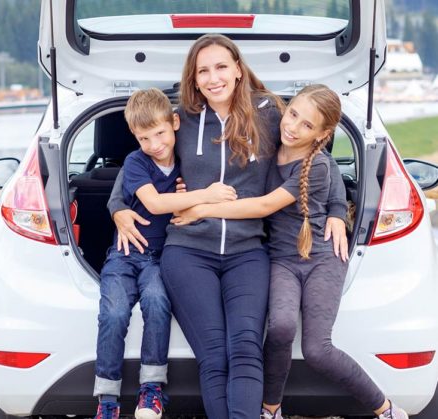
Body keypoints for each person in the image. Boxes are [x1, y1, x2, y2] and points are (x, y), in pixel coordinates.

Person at [108, 34, 348, 419]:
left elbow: (316, 156)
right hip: (187, 252)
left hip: (248, 252)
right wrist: (118, 207)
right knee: (215, 353)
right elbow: (140, 161)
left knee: (246, 348)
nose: (213, 77)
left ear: (238, 69)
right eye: (203, 70)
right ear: (194, 77)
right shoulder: (181, 119)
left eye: (221, 66)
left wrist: (337, 207)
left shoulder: (270, 113)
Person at [171, 84, 408, 419]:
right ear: (286, 109)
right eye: (293, 114)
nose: (293, 127)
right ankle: (271, 408)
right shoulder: (271, 143)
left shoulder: (318, 166)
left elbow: (266, 204)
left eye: (307, 125)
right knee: (280, 328)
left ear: (323, 134)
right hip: (281, 259)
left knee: (316, 349)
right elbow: (228, 167)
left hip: (322, 259)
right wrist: (189, 189)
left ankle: (385, 409)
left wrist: (201, 210)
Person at [94, 88, 237, 419]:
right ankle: (107, 399)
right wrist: (205, 195)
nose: (154, 144)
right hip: (124, 255)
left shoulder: (188, 160)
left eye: (159, 134)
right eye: (144, 138)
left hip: (161, 256)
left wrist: (192, 196)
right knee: (114, 314)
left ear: (174, 123)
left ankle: (152, 390)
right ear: (134, 137)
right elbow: (156, 204)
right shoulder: (135, 162)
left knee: (158, 304)